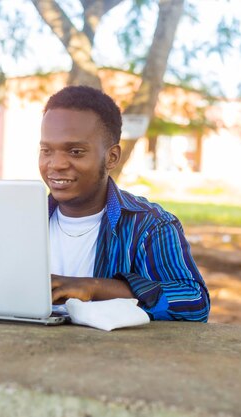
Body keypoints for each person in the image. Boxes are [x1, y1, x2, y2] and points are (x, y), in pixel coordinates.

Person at [39, 85, 210, 322]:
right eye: (46, 150)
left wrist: (95, 289)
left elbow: (194, 302)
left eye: (76, 151)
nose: (55, 164)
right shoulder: (19, 220)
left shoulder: (150, 225)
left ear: (112, 157)